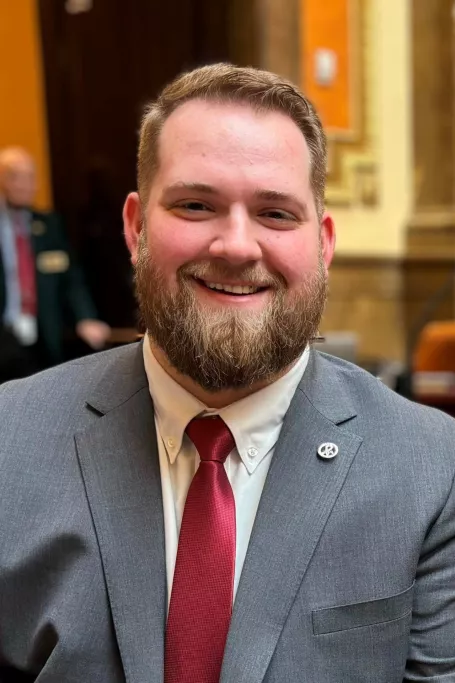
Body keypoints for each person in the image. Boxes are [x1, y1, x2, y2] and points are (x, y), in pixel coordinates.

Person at [0, 65, 453, 683]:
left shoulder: (433, 472)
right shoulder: (10, 440)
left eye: (275, 214)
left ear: (323, 245)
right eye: (195, 204)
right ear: (135, 228)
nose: (237, 246)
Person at [0, 147, 110, 379]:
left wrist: (85, 317)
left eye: (31, 177)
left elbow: (70, 277)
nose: (26, 184)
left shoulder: (48, 226)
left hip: (42, 336)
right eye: (15, 176)